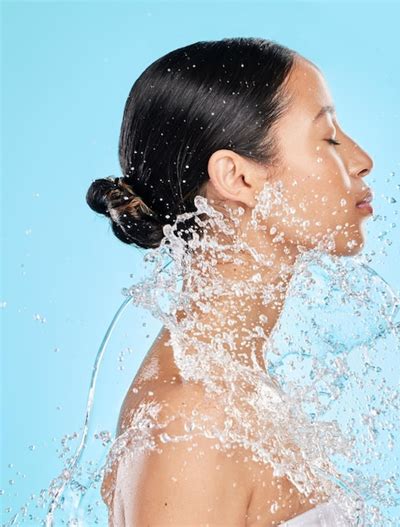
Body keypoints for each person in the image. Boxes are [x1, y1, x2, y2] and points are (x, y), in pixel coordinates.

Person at [86, 36, 373, 526]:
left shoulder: (228, 385)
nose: (361, 159)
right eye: (328, 138)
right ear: (237, 178)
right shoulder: (192, 423)